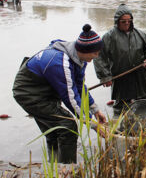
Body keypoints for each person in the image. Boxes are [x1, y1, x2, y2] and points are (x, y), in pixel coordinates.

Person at [12, 24, 106, 164]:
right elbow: (72, 100)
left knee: (54, 131)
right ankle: (67, 168)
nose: (97, 56)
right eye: (95, 53)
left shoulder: (80, 58)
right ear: (85, 50)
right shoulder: (60, 63)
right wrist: (93, 124)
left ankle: (54, 165)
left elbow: (79, 86)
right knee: (67, 124)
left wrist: (95, 109)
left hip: (46, 89)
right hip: (28, 92)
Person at [94, 4, 146, 115]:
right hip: (120, 77)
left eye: (129, 20)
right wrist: (105, 76)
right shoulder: (109, 37)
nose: (127, 23)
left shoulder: (140, 34)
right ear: (117, 21)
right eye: (123, 21)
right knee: (121, 107)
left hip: (140, 76)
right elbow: (99, 56)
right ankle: (121, 127)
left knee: (145, 103)